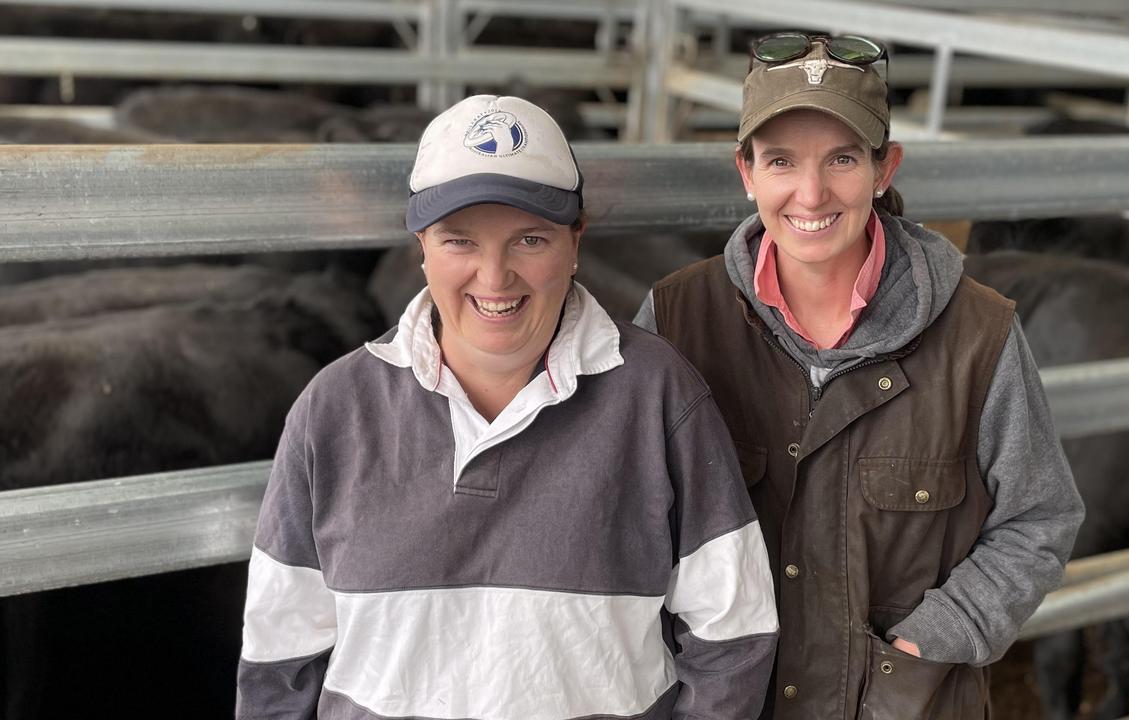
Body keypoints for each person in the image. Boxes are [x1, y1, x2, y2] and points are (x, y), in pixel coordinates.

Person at [236, 94, 778, 720]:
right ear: (421, 244)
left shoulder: (659, 396)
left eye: (528, 239)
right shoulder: (334, 410)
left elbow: (734, 635)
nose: (494, 277)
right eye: (459, 240)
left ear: (576, 241)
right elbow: (280, 664)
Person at [634, 33, 1085, 718]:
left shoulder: (977, 333)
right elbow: (625, 512)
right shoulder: (674, 319)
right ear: (746, 171)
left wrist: (927, 645)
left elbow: (1041, 515)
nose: (811, 193)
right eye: (781, 160)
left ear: (884, 169)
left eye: (842, 159)